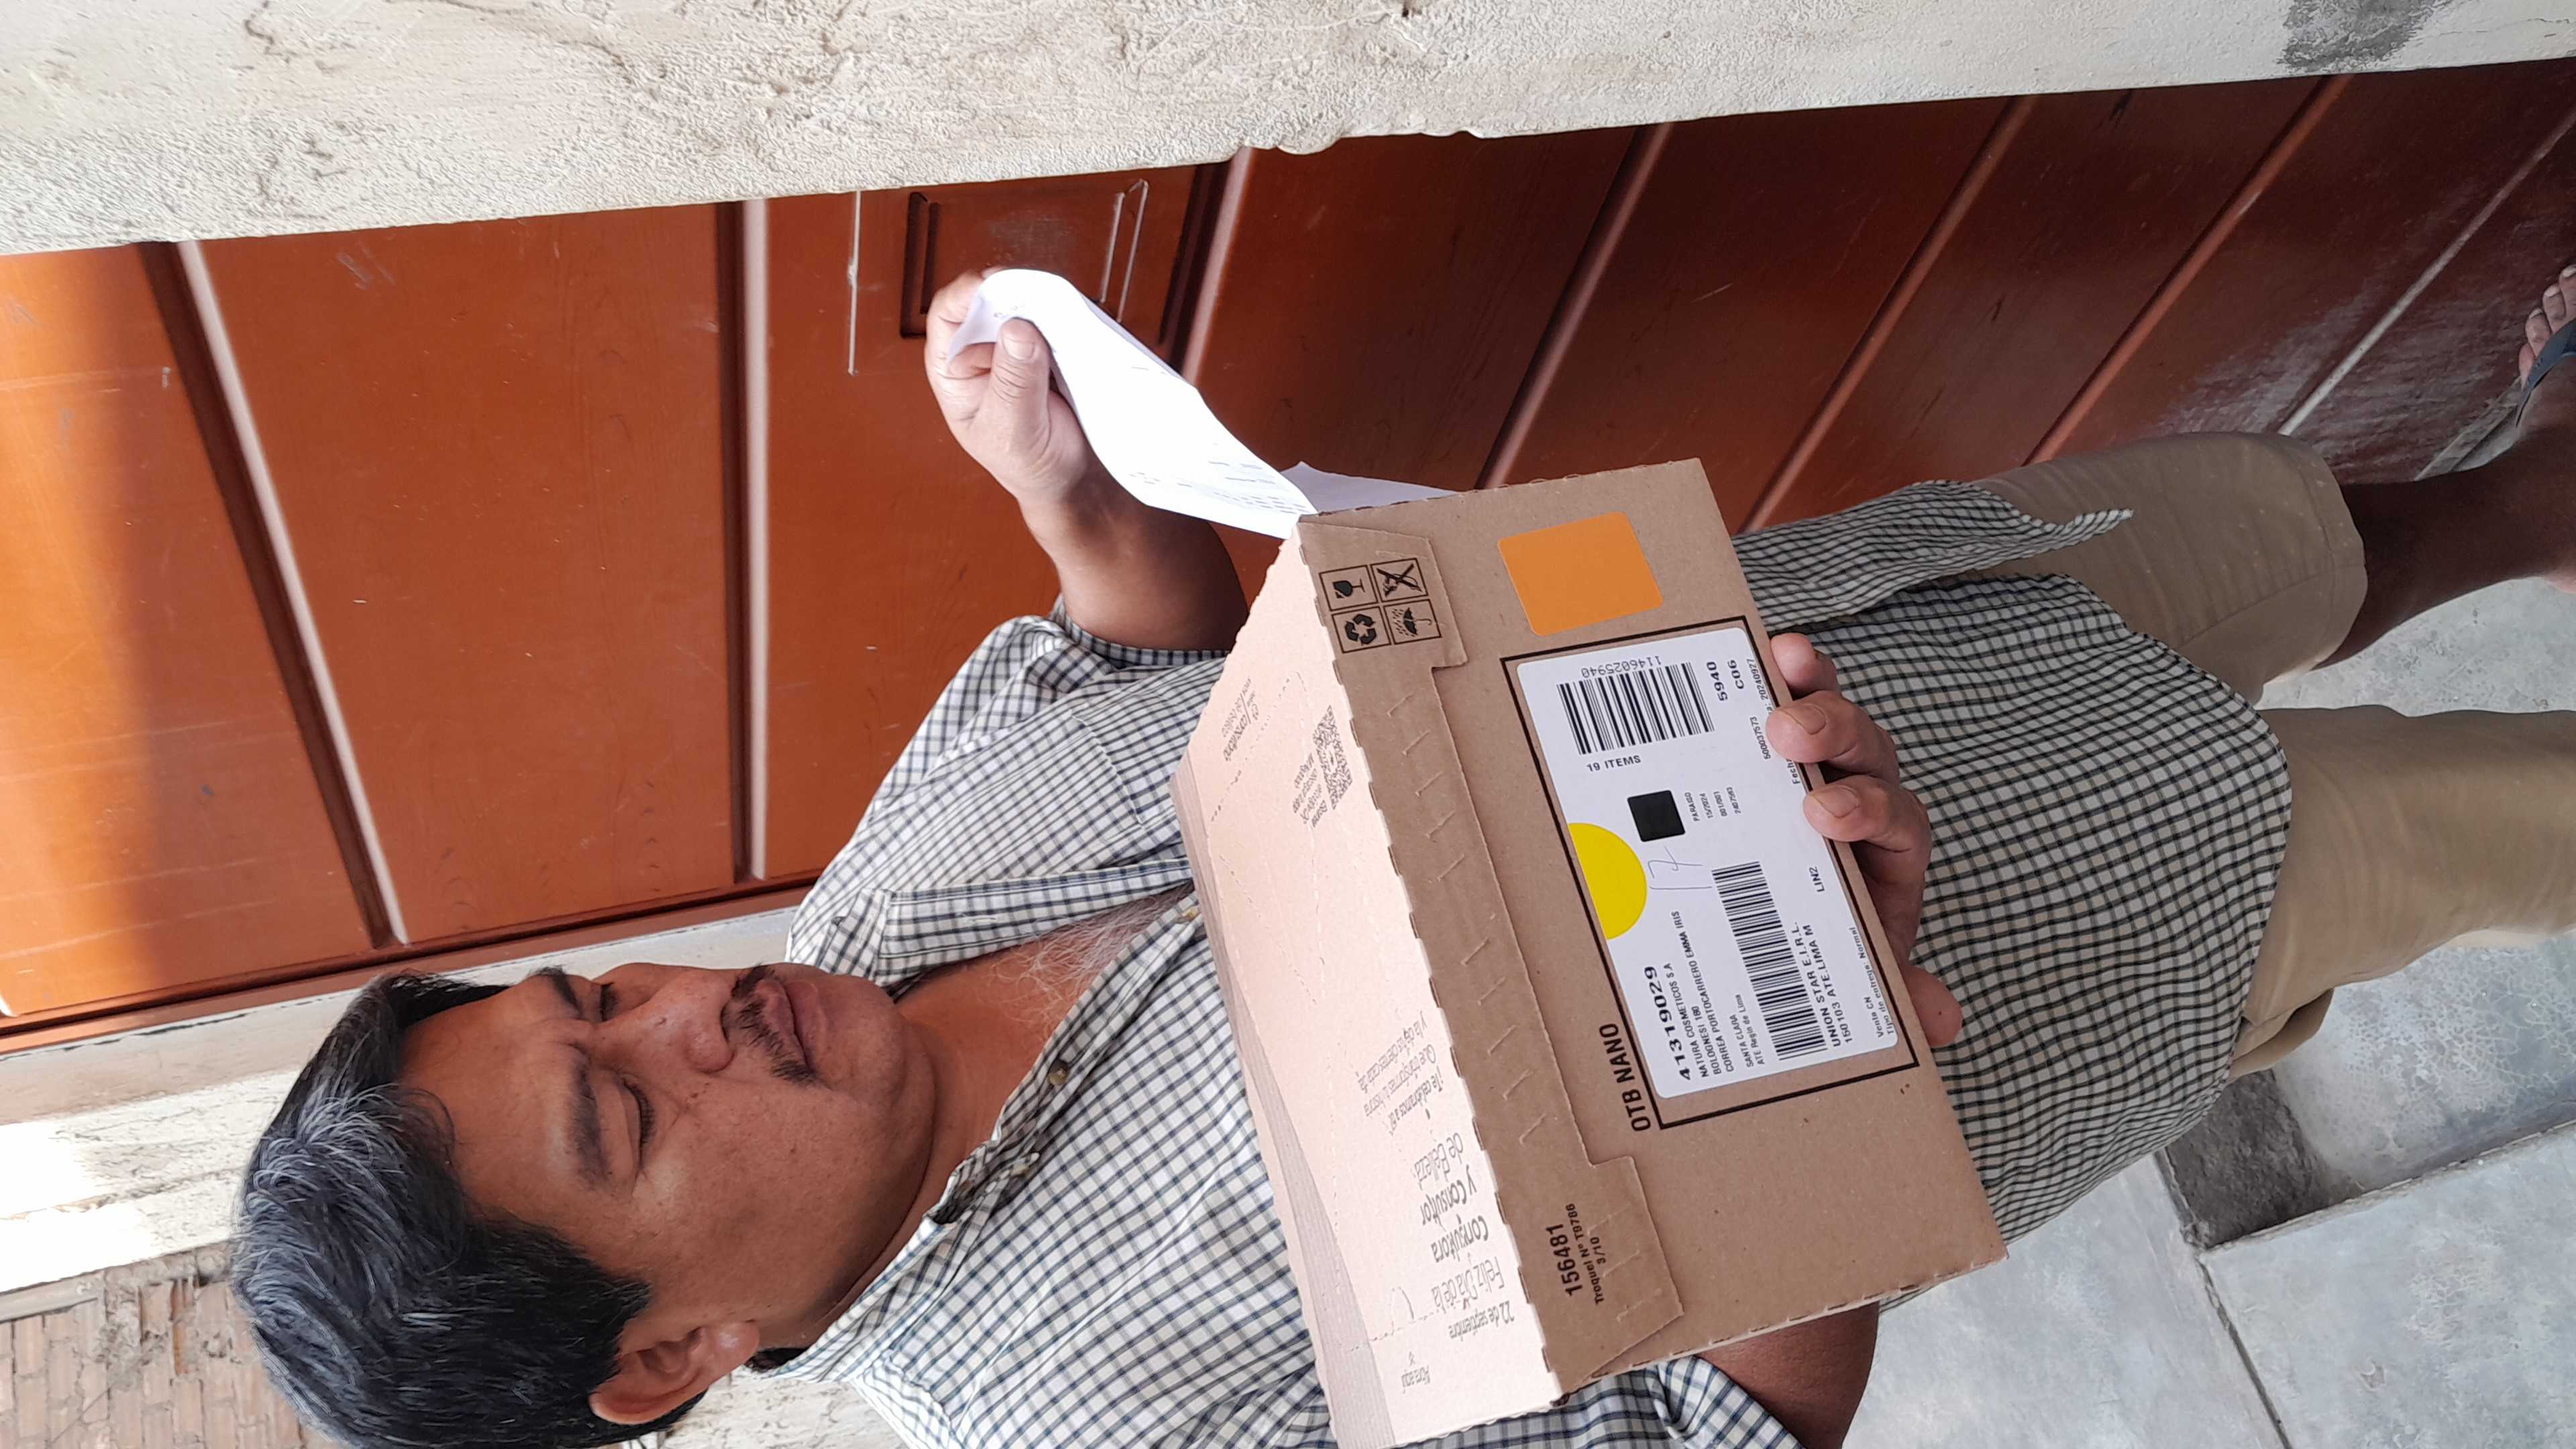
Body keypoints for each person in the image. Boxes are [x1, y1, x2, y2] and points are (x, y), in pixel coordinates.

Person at [233, 265, 2576, 1449]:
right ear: (666, 1360)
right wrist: (1814, 1033)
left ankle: (2541, 486)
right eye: (624, 1114)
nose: (694, 1013)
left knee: (2307, 536)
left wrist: (1069, 488)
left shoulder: (868, 922)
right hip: (2093, 901)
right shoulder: (1097, 1417)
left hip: (1881, 607)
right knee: (2493, 814)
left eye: (603, 992)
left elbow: (1122, 665)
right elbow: (1716, 1429)